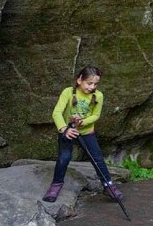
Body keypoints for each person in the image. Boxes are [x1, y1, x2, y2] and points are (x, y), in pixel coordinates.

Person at [42, 66, 122, 202]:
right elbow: (57, 113)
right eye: (89, 83)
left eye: (95, 84)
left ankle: (108, 185)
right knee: (64, 158)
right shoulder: (68, 92)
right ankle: (56, 185)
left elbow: (96, 115)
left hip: (86, 132)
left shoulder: (98, 96)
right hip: (68, 131)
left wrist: (83, 122)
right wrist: (64, 129)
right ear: (79, 80)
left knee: (97, 158)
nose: (92, 87)